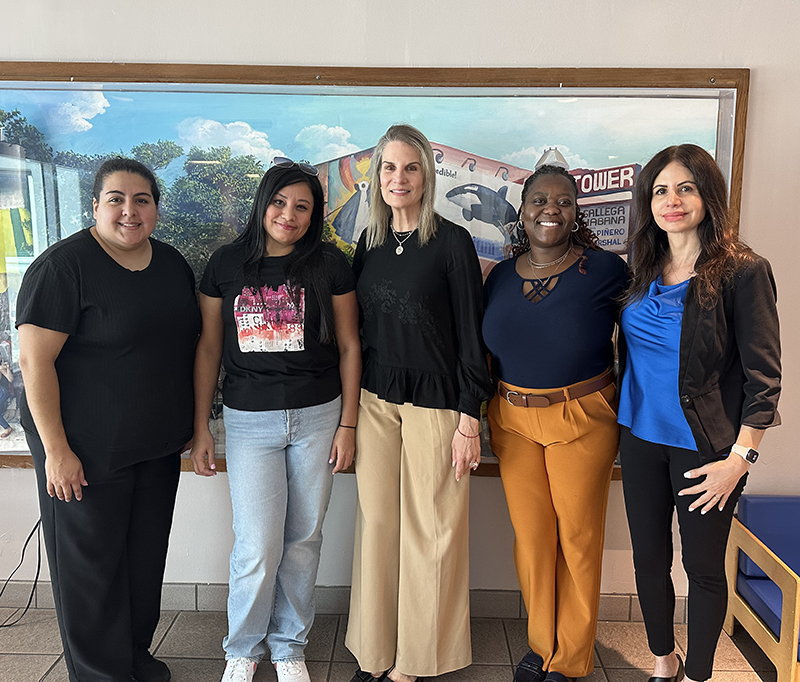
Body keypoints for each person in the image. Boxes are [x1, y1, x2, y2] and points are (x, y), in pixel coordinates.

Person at [16, 158, 201, 682]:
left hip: (156, 447)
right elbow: (34, 362)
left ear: (156, 209)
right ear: (94, 205)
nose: (129, 210)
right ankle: (101, 674)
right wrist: (56, 450)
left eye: (142, 199)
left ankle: (135, 662)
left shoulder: (170, 264)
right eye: (116, 199)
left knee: (142, 569)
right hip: (85, 452)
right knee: (91, 576)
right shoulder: (64, 267)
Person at [190, 158, 361, 682]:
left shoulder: (330, 264)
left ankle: (289, 646)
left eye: (303, 207)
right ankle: (242, 647)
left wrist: (348, 425)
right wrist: (203, 426)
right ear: (262, 203)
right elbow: (209, 347)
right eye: (280, 202)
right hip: (249, 422)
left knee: (303, 539)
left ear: (315, 215)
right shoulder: (225, 264)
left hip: (318, 416)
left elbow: (352, 345)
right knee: (258, 543)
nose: (289, 214)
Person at [617, 144, 781, 682]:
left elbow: (764, 377)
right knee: (649, 562)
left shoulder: (743, 271)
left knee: (703, 569)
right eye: (660, 190)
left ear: (707, 194)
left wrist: (741, 459)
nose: (672, 200)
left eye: (685, 187)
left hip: (706, 450)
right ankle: (664, 663)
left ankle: (698, 675)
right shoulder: (640, 267)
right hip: (640, 441)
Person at [345, 124, 493, 682]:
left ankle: (415, 661)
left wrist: (468, 420)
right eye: (388, 167)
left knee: (431, 531)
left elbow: (470, 334)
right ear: (377, 176)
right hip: (377, 400)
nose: (398, 178)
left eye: (410, 168)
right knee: (379, 523)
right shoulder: (370, 243)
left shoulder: (451, 241)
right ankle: (375, 651)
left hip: (438, 404)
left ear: (427, 176)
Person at [483, 164, 629, 682]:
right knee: (532, 538)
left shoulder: (608, 270)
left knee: (579, 537)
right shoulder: (500, 275)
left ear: (576, 211)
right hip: (513, 420)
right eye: (540, 200)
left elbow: (641, 340)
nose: (551, 209)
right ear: (522, 212)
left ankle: (570, 658)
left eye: (563, 201)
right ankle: (539, 645)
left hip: (583, 417)